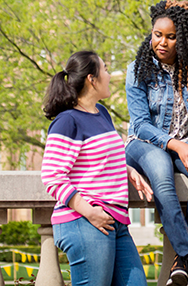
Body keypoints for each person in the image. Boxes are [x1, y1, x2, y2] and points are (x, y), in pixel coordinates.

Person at [125, 0, 188, 286]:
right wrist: (175, 144)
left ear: (184, 39)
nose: (162, 42)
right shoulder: (138, 68)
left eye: (171, 36)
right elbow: (140, 124)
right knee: (162, 174)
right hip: (144, 144)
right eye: (157, 34)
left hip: (186, 142)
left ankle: (182, 259)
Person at [41, 51, 153, 286]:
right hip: (84, 220)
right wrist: (89, 211)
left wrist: (128, 170)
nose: (110, 75)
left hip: (115, 219)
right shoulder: (67, 121)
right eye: (105, 69)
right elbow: (52, 176)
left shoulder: (101, 113)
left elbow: (104, 158)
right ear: (92, 79)